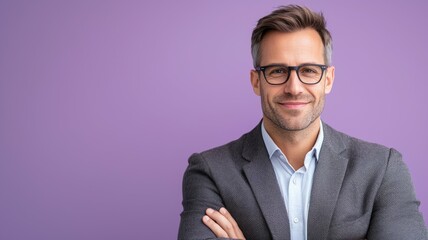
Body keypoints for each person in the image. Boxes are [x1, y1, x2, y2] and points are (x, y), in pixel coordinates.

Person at [178, 5, 427, 240]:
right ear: (256, 82)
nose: (294, 88)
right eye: (277, 71)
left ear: (328, 79)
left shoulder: (382, 168)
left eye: (308, 70)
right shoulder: (210, 171)